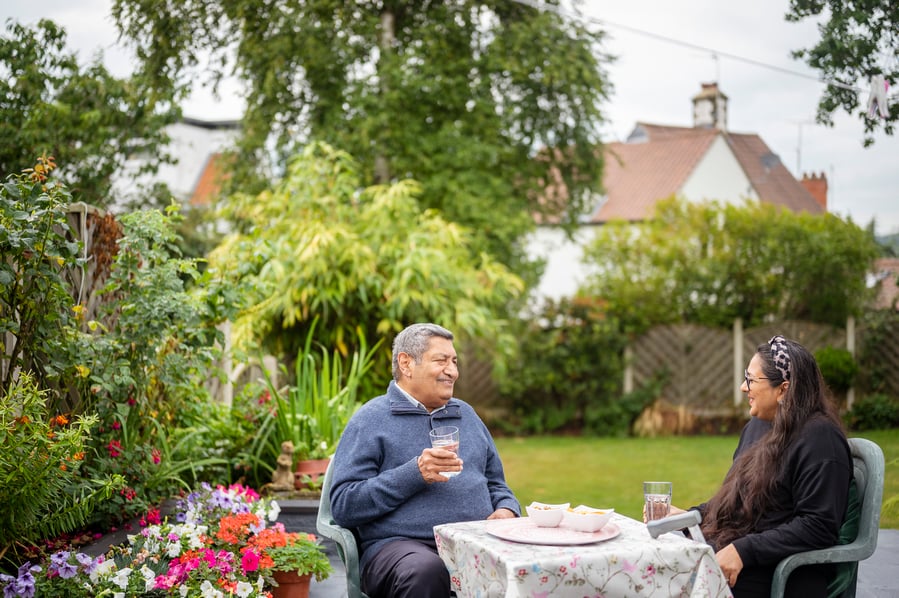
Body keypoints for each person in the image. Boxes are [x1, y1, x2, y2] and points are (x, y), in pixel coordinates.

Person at [329, 323, 520, 598]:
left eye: (454, 361)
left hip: (475, 545)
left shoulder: (466, 415)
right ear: (406, 363)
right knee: (426, 570)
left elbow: (498, 485)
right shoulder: (371, 420)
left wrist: (506, 510)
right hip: (400, 548)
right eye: (441, 360)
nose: (453, 371)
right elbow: (344, 505)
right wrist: (415, 473)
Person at [666, 335, 853, 597]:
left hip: (782, 572)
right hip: (740, 552)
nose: (744, 387)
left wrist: (744, 550)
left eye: (751, 380)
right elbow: (736, 501)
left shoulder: (821, 439)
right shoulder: (757, 427)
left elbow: (817, 525)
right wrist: (689, 517)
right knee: (657, 560)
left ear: (784, 389)